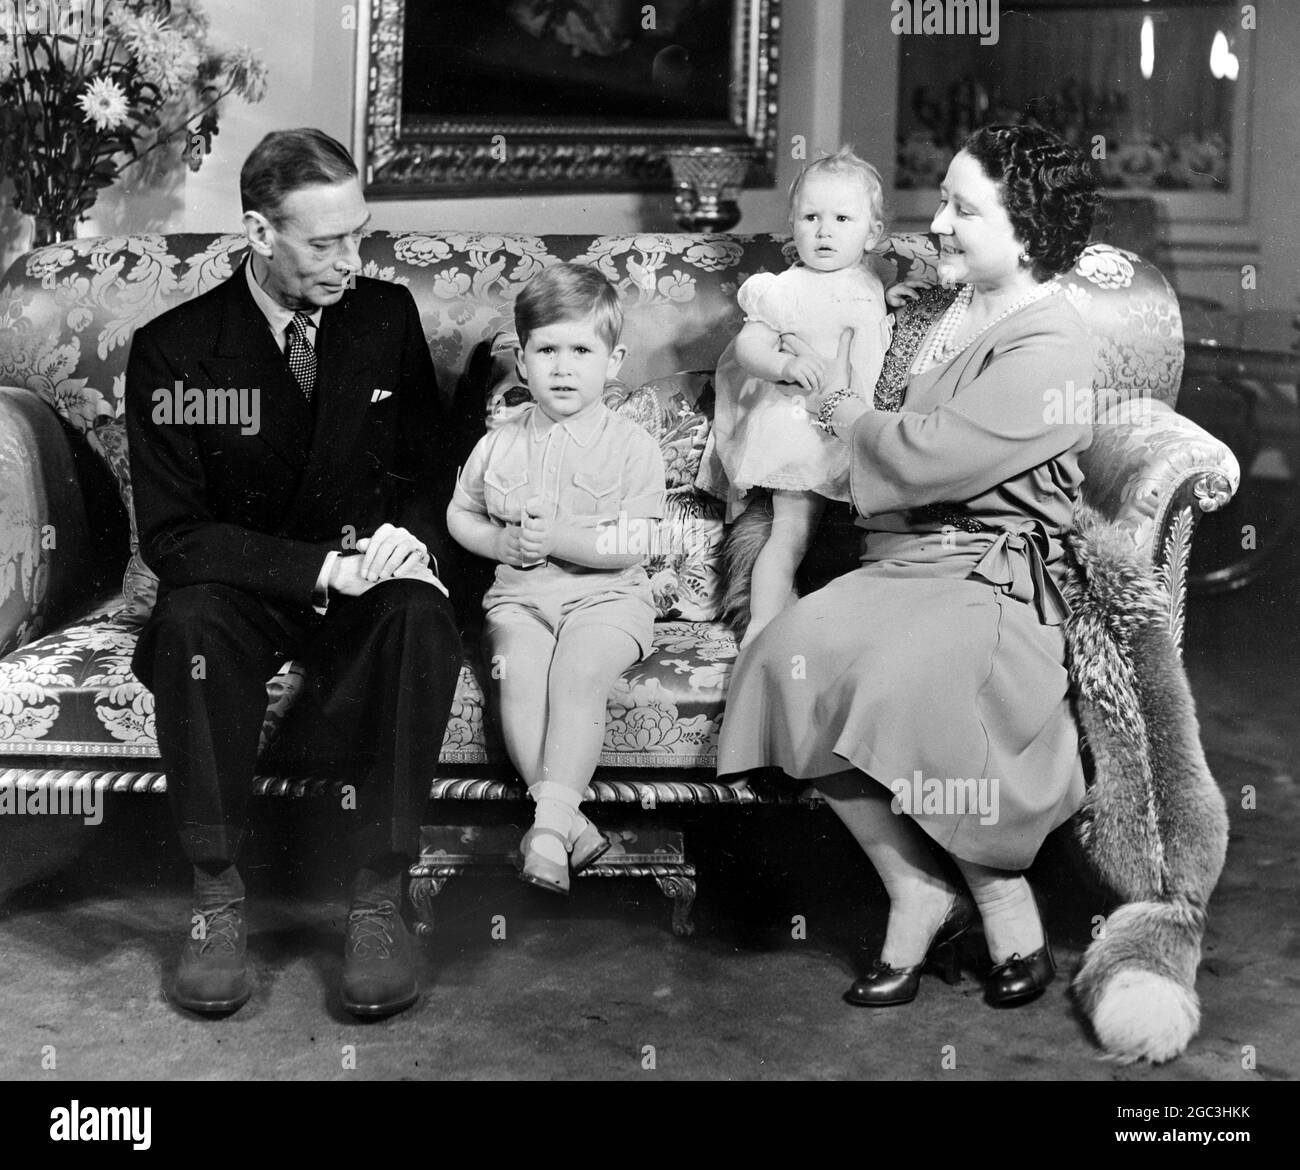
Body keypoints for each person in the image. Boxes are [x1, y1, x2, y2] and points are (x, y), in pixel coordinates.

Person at [716, 123, 1102, 1008]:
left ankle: (1003, 899)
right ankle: (913, 888)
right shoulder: (943, 307)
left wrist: (848, 412)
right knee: (784, 655)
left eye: (965, 209)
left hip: (997, 578)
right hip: (910, 560)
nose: (938, 223)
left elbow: (929, 453)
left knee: (898, 676)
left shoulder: (1055, 346)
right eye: (941, 201)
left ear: (1031, 230)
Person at [126, 128, 464, 1018]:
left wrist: (409, 544)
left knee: (421, 616)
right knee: (190, 622)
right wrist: (322, 567)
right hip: (250, 586)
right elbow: (173, 536)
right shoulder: (177, 351)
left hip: (368, 571)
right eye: (325, 242)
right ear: (257, 232)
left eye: (359, 234)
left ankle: (377, 898)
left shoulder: (385, 318)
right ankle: (217, 896)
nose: (351, 259)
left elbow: (431, 471)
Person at [447, 263, 666, 894]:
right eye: (547, 351)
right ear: (522, 362)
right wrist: (500, 542)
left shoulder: (632, 445)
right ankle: (571, 824)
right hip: (521, 600)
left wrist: (561, 540)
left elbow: (641, 539)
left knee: (577, 672)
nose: (563, 367)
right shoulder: (497, 442)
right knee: (515, 673)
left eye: (581, 350)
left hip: (608, 599)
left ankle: (545, 827)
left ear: (613, 360)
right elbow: (460, 513)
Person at [706, 149, 913, 648]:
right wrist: (783, 364)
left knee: (860, 529)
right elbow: (749, 346)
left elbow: (861, 324)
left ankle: (840, 622)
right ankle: (762, 622)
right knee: (791, 531)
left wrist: (889, 302)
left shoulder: (869, 279)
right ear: (792, 226)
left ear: (871, 233)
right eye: (811, 218)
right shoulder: (784, 289)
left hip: (854, 426)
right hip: (797, 428)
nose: (824, 232)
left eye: (842, 219)